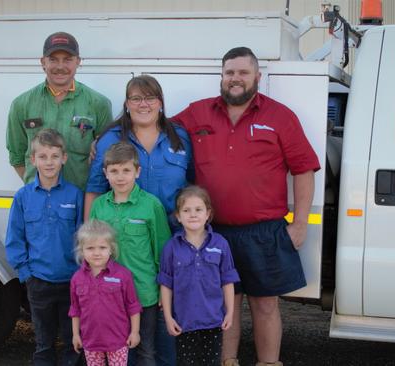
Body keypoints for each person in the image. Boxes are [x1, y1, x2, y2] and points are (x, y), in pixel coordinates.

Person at [172, 47, 321, 366]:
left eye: (242, 72)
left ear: (257, 77)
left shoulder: (280, 116)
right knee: (224, 307)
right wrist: (109, 138)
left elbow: (303, 169)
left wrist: (300, 223)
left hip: (265, 232)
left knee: (265, 306)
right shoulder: (198, 113)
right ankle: (228, 362)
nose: (235, 79)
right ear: (222, 77)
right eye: (229, 73)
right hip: (213, 234)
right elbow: (156, 128)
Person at [5, 128, 83, 366]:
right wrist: (27, 274)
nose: (49, 163)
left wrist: (82, 274)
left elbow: (83, 237)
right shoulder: (23, 197)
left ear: (64, 158)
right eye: (43, 157)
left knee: (73, 341)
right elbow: (15, 238)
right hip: (38, 281)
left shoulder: (75, 195)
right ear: (33, 160)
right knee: (43, 342)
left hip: (71, 281)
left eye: (54, 156)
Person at [89, 141, 172, 366]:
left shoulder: (151, 205)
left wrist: (164, 289)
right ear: (105, 173)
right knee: (116, 349)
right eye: (114, 171)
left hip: (144, 292)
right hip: (109, 294)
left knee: (145, 349)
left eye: (126, 170)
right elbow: (91, 250)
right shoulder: (99, 207)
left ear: (137, 171)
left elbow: (162, 251)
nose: (120, 177)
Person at [7, 31, 112, 190]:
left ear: (78, 61)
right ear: (43, 62)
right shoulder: (21, 104)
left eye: (67, 60)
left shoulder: (99, 104)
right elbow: (17, 156)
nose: (60, 67)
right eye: (53, 60)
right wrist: (39, 188)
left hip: (81, 200)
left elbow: (106, 158)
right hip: (37, 200)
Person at [85, 74, 193, 222]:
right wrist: (90, 234)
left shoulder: (180, 137)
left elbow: (193, 183)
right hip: (126, 234)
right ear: (127, 105)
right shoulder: (110, 139)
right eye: (136, 99)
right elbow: (95, 189)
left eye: (150, 98)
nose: (143, 104)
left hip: (175, 232)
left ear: (160, 103)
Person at [158, 185, 240, 366]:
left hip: (213, 321)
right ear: (178, 216)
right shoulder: (171, 247)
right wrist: (168, 317)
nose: (193, 214)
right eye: (186, 210)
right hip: (184, 322)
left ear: (208, 214)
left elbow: (227, 281)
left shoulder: (220, 244)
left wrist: (230, 313)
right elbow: (166, 284)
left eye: (198, 209)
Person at [69, 220, 142, 366]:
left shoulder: (123, 275)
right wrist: (76, 335)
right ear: (81, 250)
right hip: (90, 341)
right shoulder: (77, 278)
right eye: (90, 248)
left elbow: (133, 306)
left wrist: (135, 332)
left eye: (102, 247)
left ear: (111, 249)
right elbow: (75, 309)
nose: (96, 253)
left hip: (118, 340)